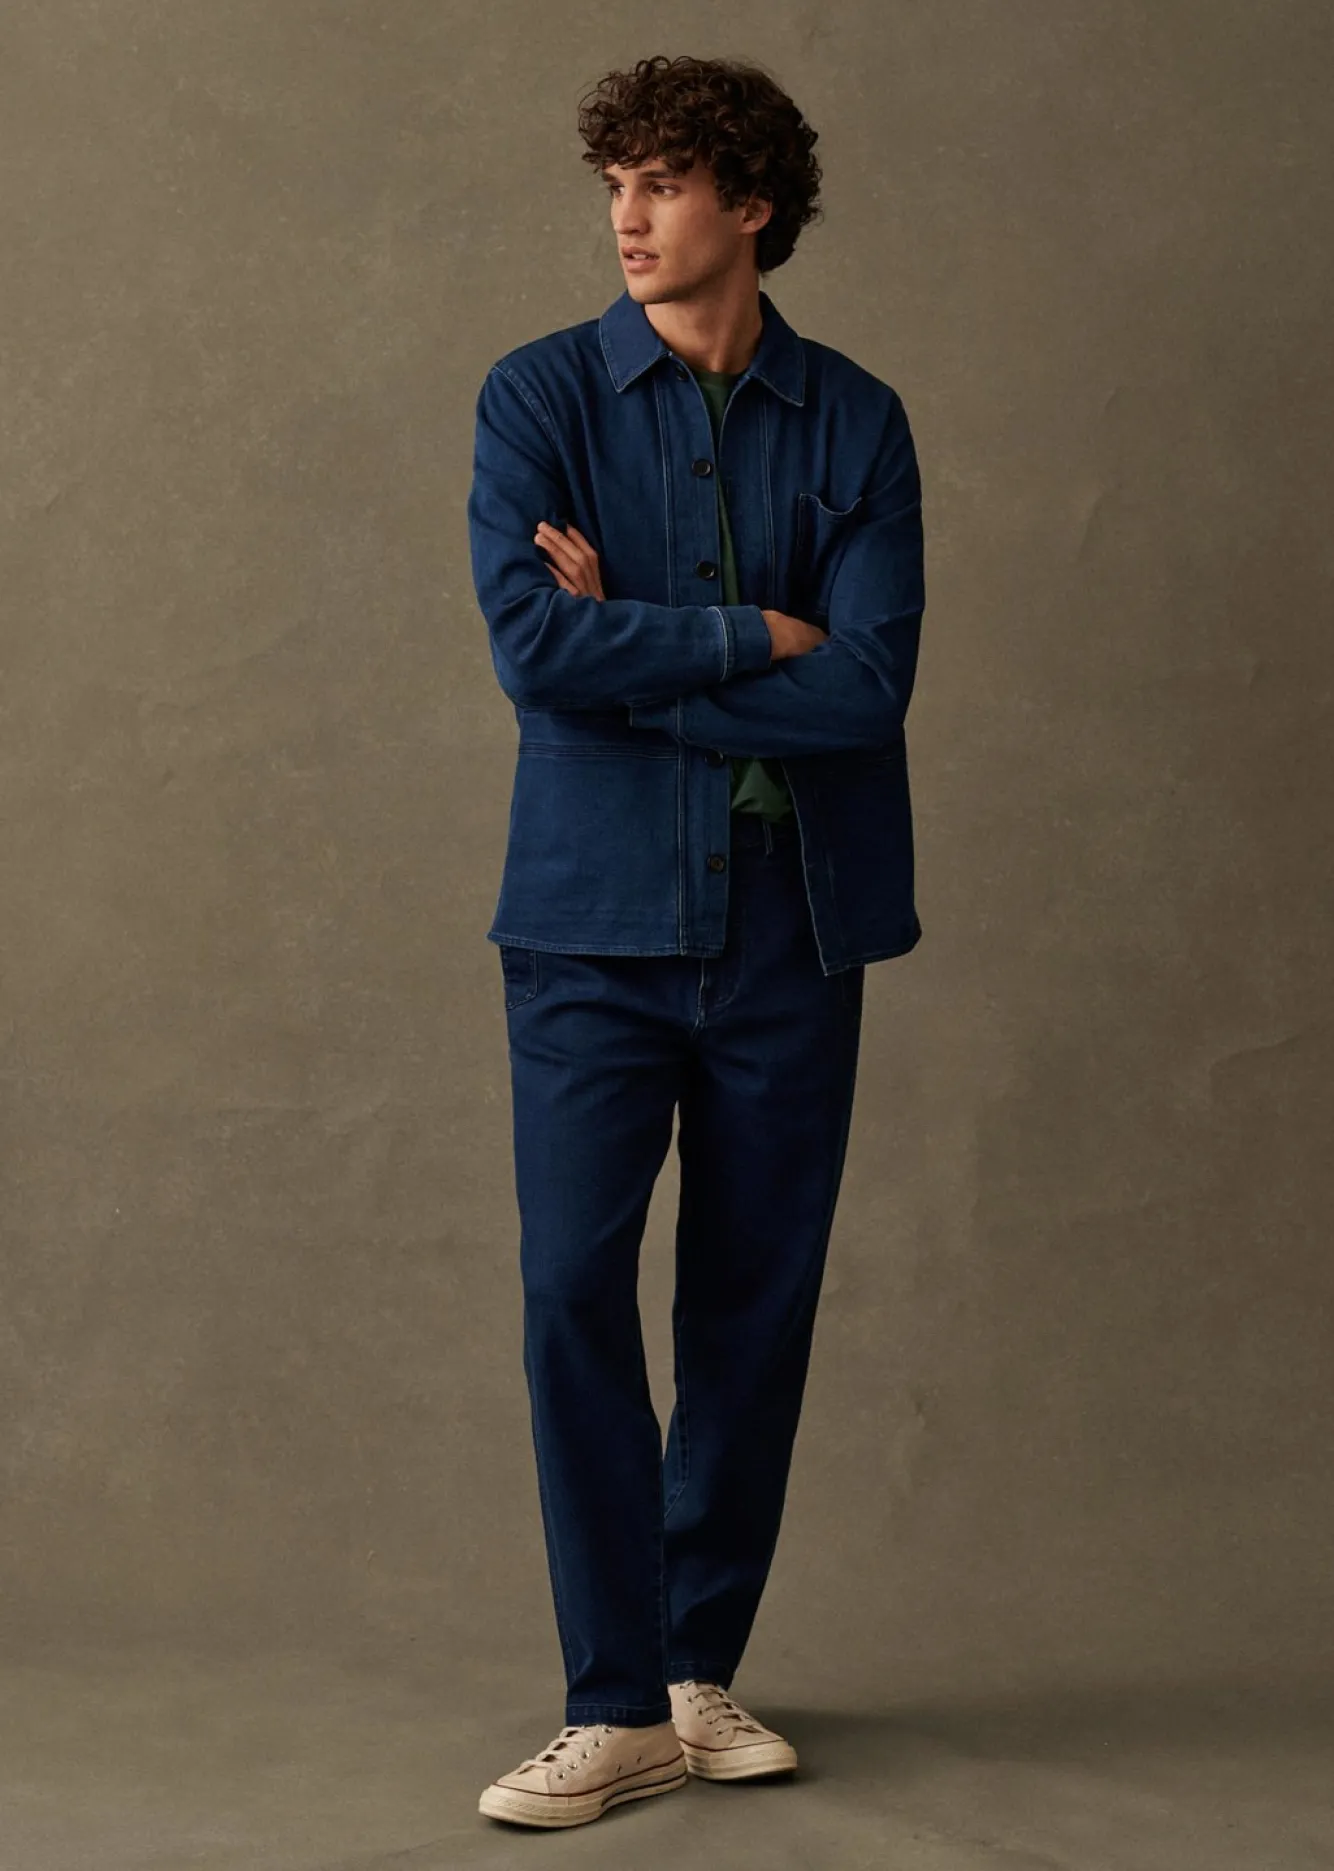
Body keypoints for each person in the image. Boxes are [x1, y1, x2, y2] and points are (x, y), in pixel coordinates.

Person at [466, 52, 926, 1830]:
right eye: (614, 186)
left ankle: (688, 1671)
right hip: (588, 928)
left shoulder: (856, 420)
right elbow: (533, 652)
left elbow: (870, 687)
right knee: (571, 1290)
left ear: (750, 204)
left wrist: (638, 645)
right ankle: (608, 1699)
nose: (628, 218)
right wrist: (754, 637)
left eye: (661, 183)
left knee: (751, 1305)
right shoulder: (540, 397)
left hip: (794, 928)